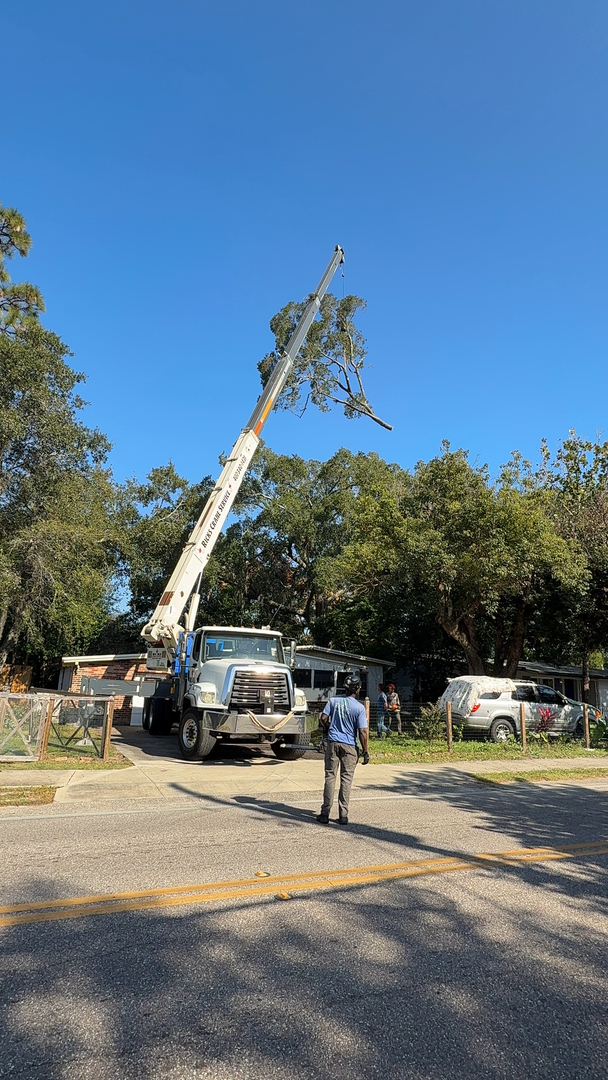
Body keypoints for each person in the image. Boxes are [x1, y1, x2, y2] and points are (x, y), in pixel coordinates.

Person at [317, 673, 369, 826]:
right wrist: (365, 751)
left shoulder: (333, 700)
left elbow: (324, 718)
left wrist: (327, 729)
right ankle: (343, 815)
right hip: (349, 746)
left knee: (330, 777)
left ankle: (325, 813)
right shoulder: (359, 708)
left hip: (333, 742)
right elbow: (362, 732)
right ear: (358, 689)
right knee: (346, 780)